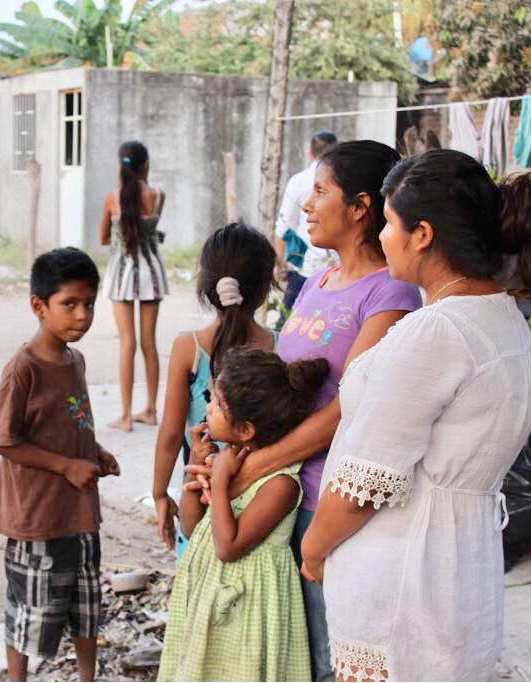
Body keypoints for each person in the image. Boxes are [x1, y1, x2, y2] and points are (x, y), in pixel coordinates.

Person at [300, 150, 531, 681]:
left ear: (422, 235)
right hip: (457, 564)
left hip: (403, 576)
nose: (383, 236)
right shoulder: (503, 320)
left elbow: (363, 482)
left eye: (389, 223)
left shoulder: (436, 333)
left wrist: (315, 547)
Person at [188, 141, 422, 681]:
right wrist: (229, 456)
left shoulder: (391, 295)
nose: (307, 206)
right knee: (274, 653)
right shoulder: (316, 283)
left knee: (327, 658)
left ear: (362, 207)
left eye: (321, 192)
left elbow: (349, 408)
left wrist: (252, 466)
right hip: (274, 493)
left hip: (328, 500)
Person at [0, 247, 122, 682]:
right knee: (32, 611)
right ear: (38, 306)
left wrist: (95, 452)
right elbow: (4, 440)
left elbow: (73, 422)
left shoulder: (75, 360)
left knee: (86, 607)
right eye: (69, 304)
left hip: (80, 513)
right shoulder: (23, 368)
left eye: (89, 304)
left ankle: (88, 677)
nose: (81, 315)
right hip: (38, 517)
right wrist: (66, 466)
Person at [158, 348, 330, 681]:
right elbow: (194, 529)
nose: (207, 409)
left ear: (246, 429)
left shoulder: (280, 484)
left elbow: (230, 546)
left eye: (217, 405)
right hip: (210, 593)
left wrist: (220, 483)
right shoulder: (228, 458)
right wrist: (196, 472)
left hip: (249, 607)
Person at [151, 222, 277, 558]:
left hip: (199, 497)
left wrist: (160, 493)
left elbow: (170, 432)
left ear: (206, 286)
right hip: (261, 503)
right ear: (265, 288)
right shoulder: (278, 348)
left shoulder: (189, 348)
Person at [99, 140, 169, 432]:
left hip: (123, 274)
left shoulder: (112, 198)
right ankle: (151, 410)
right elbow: (149, 231)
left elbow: (104, 238)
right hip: (151, 273)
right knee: (148, 343)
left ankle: (126, 416)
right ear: (146, 164)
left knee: (126, 343)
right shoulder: (157, 196)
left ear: (120, 166)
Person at [275, 130, 338, 321]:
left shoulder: (298, 181)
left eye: (319, 192)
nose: (308, 205)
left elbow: (284, 225)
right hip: (336, 264)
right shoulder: (342, 180)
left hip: (305, 264)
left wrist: (280, 263)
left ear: (310, 152)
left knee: (289, 322)